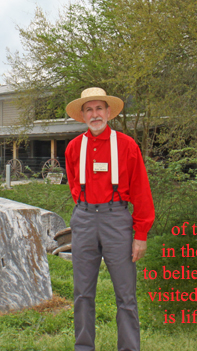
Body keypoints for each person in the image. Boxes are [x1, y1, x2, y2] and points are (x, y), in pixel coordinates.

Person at [64, 87, 155, 351]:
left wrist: (140, 234)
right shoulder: (73, 148)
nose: (95, 114)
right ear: (82, 115)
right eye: (89, 109)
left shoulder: (127, 146)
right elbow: (73, 184)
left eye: (99, 108)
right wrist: (85, 212)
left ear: (108, 112)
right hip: (83, 219)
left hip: (117, 220)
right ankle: (83, 347)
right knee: (82, 293)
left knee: (126, 295)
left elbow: (141, 191)